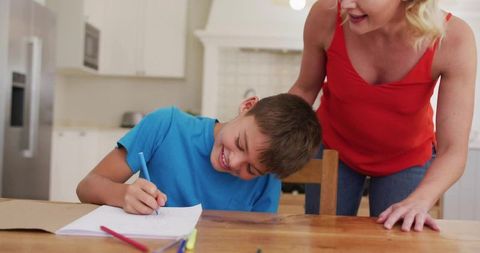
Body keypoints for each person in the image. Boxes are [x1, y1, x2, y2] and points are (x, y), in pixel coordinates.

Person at [289, 0, 476, 232]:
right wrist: (263, 127)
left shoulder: (454, 39)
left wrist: (421, 199)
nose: (345, 4)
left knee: (397, 239)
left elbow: (453, 151)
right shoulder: (326, 14)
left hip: (406, 158)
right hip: (333, 149)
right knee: (324, 238)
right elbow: (305, 89)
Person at [76, 93, 321, 214]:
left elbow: (259, 242)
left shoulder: (267, 181)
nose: (234, 162)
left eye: (251, 169)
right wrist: (123, 194)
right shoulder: (165, 125)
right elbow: (86, 187)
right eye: (241, 143)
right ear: (248, 107)